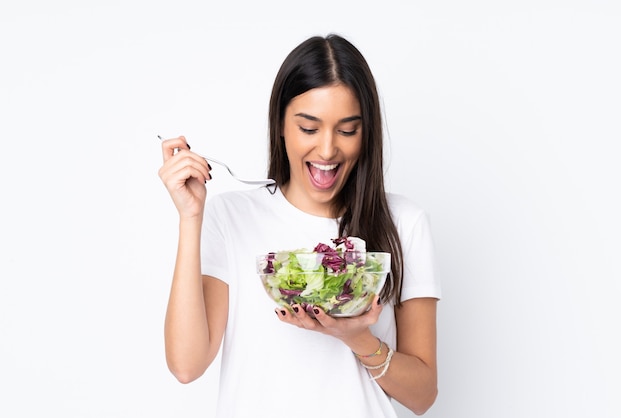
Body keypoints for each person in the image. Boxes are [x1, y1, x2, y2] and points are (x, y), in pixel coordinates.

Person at [158, 33, 441, 417]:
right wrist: (191, 218)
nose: (327, 150)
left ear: (367, 132)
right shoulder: (231, 217)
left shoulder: (404, 223)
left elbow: (422, 396)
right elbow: (186, 366)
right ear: (280, 125)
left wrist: (358, 339)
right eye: (309, 128)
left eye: (347, 130)